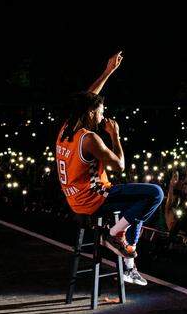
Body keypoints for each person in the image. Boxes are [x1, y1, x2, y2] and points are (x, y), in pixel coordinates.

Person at [54, 52, 163, 286]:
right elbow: (120, 166)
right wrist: (116, 136)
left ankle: (128, 263)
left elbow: (87, 98)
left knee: (135, 208)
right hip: (94, 199)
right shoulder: (90, 138)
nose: (104, 114)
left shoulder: (66, 128)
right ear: (92, 113)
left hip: (74, 200)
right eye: (101, 110)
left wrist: (108, 71)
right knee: (154, 194)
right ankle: (114, 235)